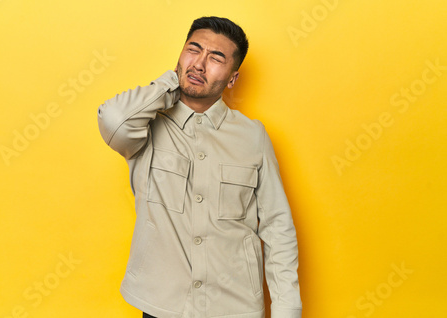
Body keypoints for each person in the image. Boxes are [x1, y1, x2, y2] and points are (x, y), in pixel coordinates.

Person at [97, 16, 302, 318]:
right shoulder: (145, 125)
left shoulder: (253, 136)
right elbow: (113, 120)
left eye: (216, 58)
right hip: (161, 304)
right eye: (193, 50)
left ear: (232, 78)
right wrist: (170, 83)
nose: (199, 64)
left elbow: (277, 227)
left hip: (235, 307)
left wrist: (287, 312)